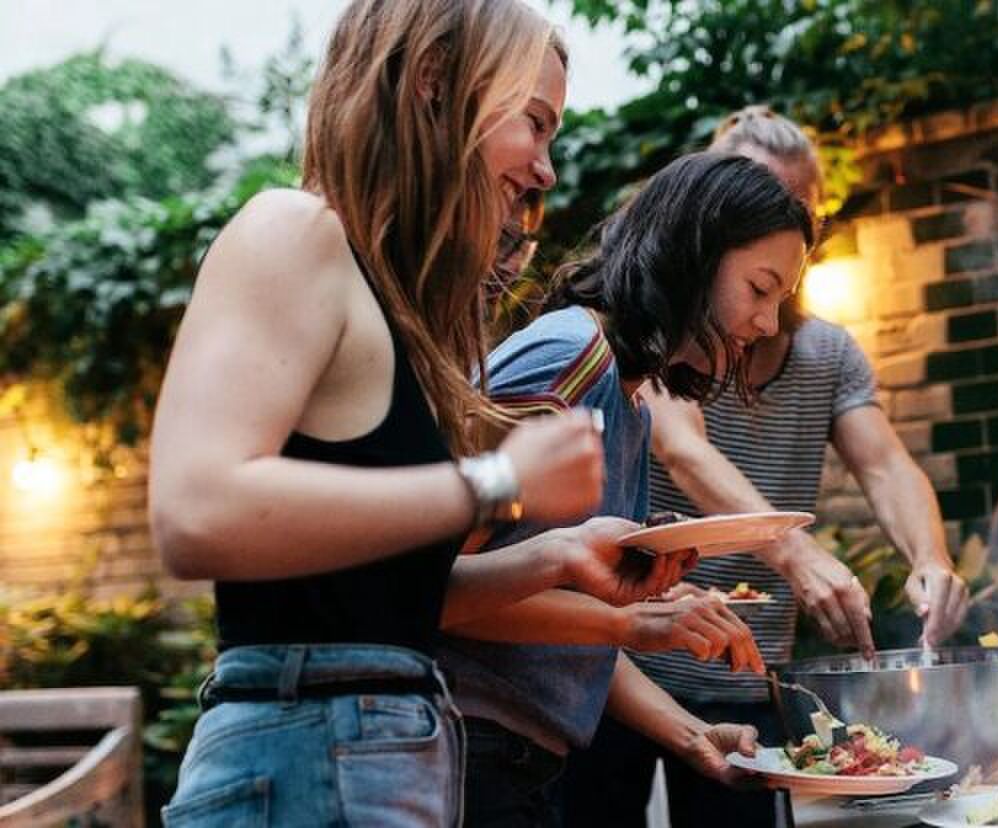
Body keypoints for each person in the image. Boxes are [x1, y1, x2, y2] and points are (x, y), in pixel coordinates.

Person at [146, 2, 697, 824]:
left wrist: (555, 556)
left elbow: (369, 599)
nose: (547, 169)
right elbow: (195, 511)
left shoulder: (393, 309)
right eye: (535, 123)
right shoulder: (293, 232)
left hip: (383, 753)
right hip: (304, 752)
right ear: (436, 84)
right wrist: (498, 483)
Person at [562, 106, 972, 828]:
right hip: (622, 665)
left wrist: (931, 559)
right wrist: (793, 550)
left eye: (796, 210)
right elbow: (683, 446)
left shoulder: (829, 353)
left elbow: (885, 466)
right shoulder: (664, 337)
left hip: (744, 678)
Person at [436, 151, 814, 826]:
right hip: (468, 754)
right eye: (760, 290)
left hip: (524, 764)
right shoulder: (568, 358)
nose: (765, 325)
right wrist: (633, 623)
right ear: (692, 253)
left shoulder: (632, 402)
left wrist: (692, 735)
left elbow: (554, 627)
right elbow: (433, 588)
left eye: (779, 302)